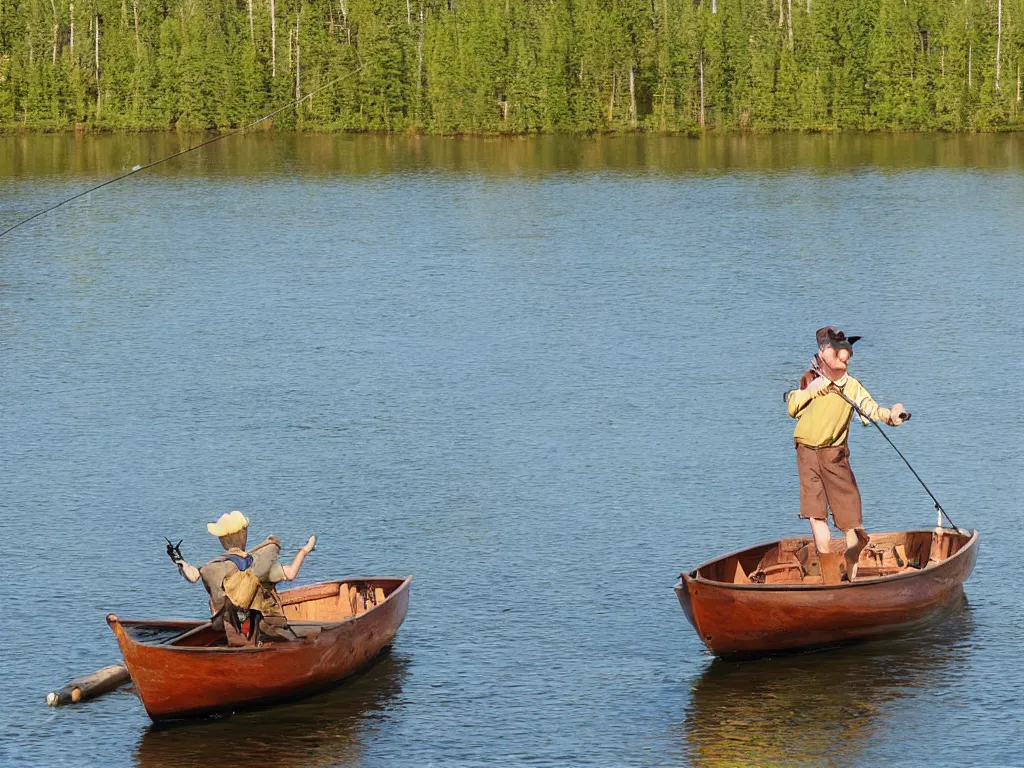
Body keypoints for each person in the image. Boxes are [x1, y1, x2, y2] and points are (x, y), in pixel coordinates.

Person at [786, 327, 909, 581]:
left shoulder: (851, 386)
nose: (843, 357)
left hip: (834, 454)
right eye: (831, 350)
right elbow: (792, 406)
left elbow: (871, 409)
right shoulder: (810, 378)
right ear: (823, 354)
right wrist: (813, 390)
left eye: (845, 353)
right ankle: (830, 572)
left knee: (849, 512)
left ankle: (854, 550)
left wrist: (891, 416)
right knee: (815, 513)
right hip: (806, 453)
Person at [167, 510, 317, 646]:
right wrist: (304, 550)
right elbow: (290, 573)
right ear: (244, 534)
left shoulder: (217, 567)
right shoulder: (258, 564)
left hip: (232, 631)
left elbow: (194, 576)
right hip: (265, 630)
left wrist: (180, 562)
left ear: (222, 540)